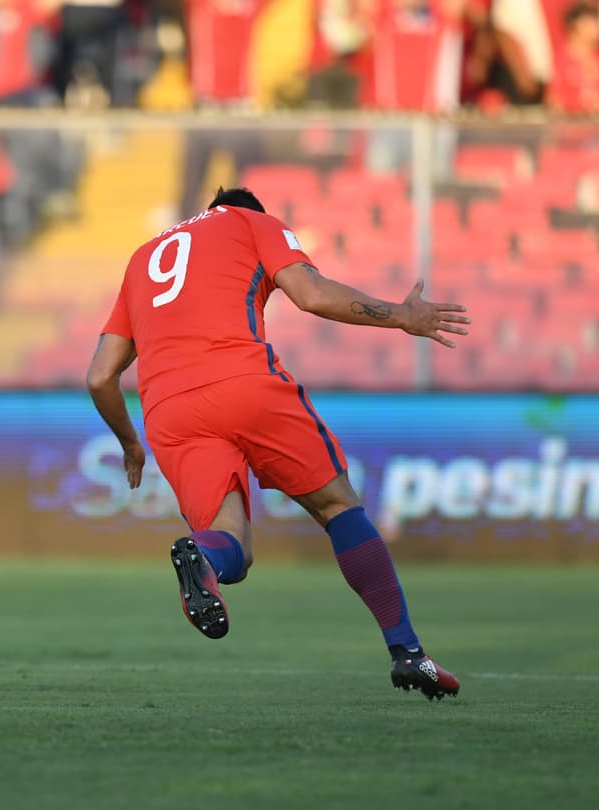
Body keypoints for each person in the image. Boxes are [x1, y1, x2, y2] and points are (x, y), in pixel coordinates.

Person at [85, 187, 470, 701]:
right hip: (242, 381)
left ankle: (201, 558)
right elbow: (309, 293)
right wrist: (400, 315)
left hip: (169, 412)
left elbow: (99, 376)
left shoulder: (142, 259)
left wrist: (130, 444)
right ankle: (407, 652)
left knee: (233, 549)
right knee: (337, 504)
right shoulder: (250, 222)